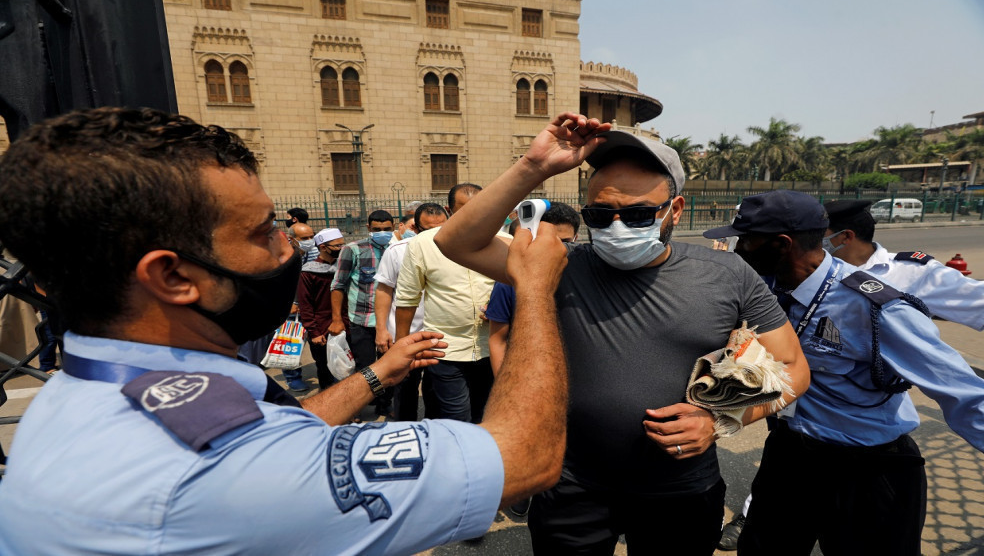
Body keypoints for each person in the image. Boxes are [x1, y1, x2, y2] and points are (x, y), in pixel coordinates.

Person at [0, 107, 573, 555]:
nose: (287, 246)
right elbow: (524, 458)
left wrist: (374, 375)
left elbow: (274, 430)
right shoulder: (219, 472)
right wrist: (535, 290)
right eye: (264, 230)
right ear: (172, 275)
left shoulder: (91, 393)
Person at [434, 113, 809, 555]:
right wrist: (533, 167)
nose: (615, 227)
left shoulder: (726, 274)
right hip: (571, 485)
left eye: (636, 214)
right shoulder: (562, 266)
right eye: (600, 214)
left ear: (676, 209)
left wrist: (722, 420)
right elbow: (456, 242)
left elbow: (793, 368)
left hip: (680, 490)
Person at [703, 190, 984, 556]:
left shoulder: (875, 309)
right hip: (791, 456)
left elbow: (965, 393)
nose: (738, 249)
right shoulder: (769, 289)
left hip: (868, 469)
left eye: (746, 240)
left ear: (781, 244)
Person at [394, 184, 500, 425]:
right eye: (465, 209)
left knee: (486, 415)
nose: (475, 214)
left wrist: (502, 308)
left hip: (492, 346)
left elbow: (518, 287)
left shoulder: (504, 241)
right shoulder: (423, 244)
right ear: (449, 209)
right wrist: (401, 346)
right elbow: (407, 297)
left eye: (481, 207)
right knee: (456, 417)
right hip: (445, 349)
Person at [823, 199, 984, 330]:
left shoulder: (914, 272)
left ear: (845, 237)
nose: (815, 240)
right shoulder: (816, 270)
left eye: (820, 234)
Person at [374, 203, 448, 421]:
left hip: (441, 336)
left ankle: (433, 434)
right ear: (415, 229)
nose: (434, 235)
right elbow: (384, 291)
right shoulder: (397, 252)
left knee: (437, 393)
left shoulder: (456, 249)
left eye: (440, 229)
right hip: (405, 335)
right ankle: (405, 431)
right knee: (404, 390)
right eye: (428, 230)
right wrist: (381, 329)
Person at [487, 202, 580, 375]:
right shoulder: (509, 282)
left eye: (566, 242)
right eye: (549, 241)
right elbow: (498, 340)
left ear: (576, 237)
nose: (557, 249)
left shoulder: (586, 275)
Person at [330, 210, 395, 415]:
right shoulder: (354, 250)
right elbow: (338, 285)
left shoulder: (398, 249)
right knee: (365, 368)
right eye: (377, 229)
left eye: (386, 229)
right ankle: (357, 406)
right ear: (368, 228)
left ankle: (385, 405)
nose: (382, 233)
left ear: (393, 228)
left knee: (390, 366)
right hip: (362, 320)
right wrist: (336, 319)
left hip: (390, 322)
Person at [295, 227, 345, 391]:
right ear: (323, 247)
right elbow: (305, 303)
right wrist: (314, 332)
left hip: (346, 325)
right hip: (321, 328)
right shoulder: (309, 271)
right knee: (325, 369)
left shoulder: (344, 267)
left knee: (348, 368)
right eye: (337, 246)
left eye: (342, 245)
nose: (341, 249)